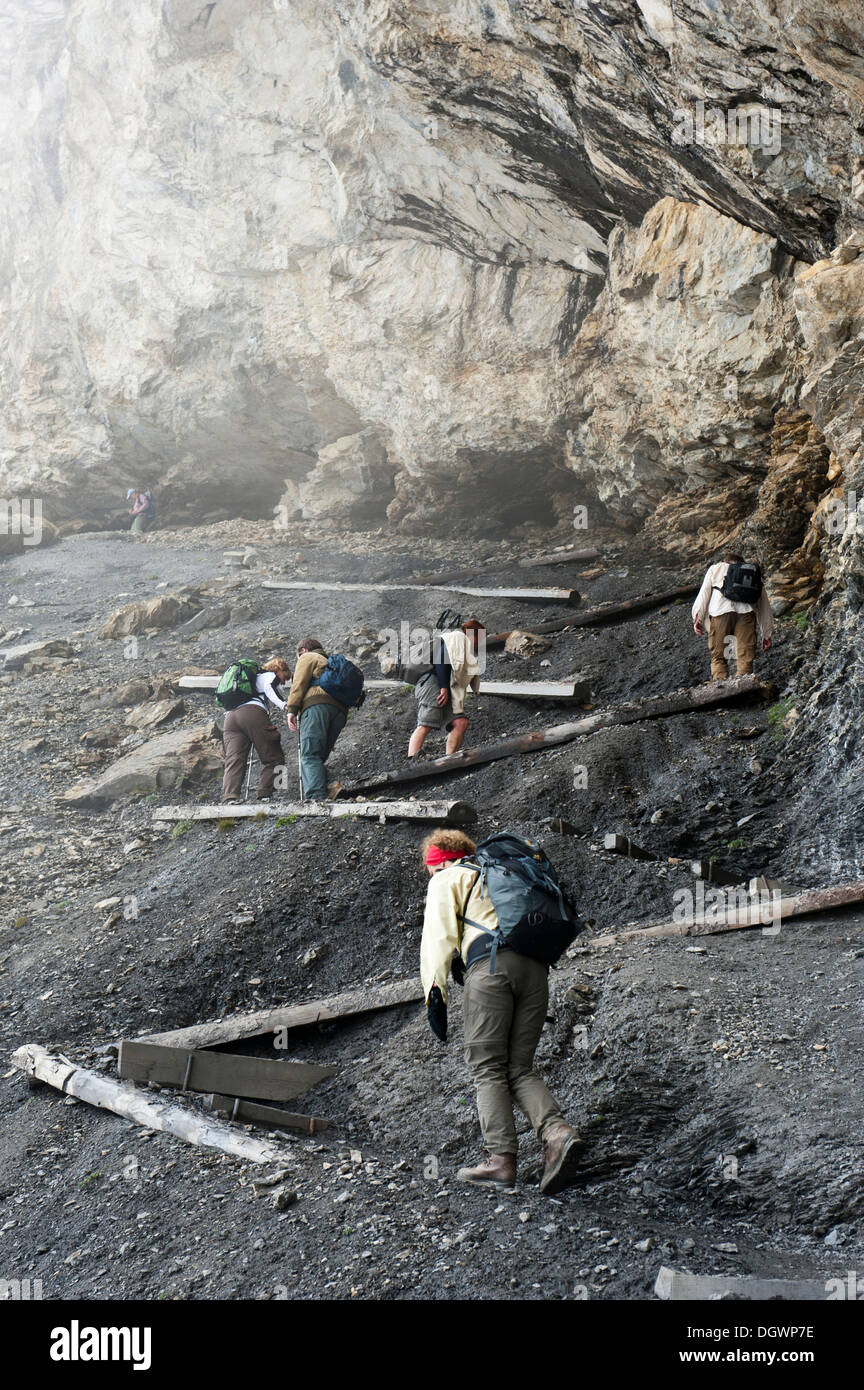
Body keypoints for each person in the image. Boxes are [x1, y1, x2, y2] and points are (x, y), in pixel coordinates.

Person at [419, 828, 584, 1195]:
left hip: (492, 969)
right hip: (536, 972)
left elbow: (437, 938)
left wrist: (435, 992)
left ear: (437, 859)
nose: (429, 875)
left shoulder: (448, 877)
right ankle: (557, 1133)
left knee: (487, 1067)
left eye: (428, 868)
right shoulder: (498, 874)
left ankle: (500, 1162)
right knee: (517, 1068)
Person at [408, 616, 485, 760]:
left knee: (460, 723)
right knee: (426, 723)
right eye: (480, 638)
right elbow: (441, 658)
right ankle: (412, 760)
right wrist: (443, 687)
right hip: (432, 682)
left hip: (447, 687)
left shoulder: (466, 647)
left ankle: (449, 760)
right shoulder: (458, 637)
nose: (481, 642)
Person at [692, 551, 774, 680]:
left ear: (726, 561)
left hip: (720, 612)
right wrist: (767, 633)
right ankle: (744, 681)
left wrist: (698, 618)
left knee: (718, 654)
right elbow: (764, 604)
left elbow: (704, 594)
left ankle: (719, 683)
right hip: (746, 613)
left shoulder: (716, 568)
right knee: (745, 654)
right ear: (741, 562)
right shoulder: (751, 573)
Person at [220, 657, 291, 803]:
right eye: (285, 677)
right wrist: (284, 705)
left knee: (234, 759)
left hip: (230, 719)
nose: (284, 682)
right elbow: (270, 688)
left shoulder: (246, 681)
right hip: (252, 713)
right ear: (279, 669)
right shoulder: (269, 676)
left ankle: (229, 797)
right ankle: (268, 794)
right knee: (275, 756)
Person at [285, 638, 347, 801]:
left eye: (298, 655)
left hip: (316, 708)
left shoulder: (307, 657)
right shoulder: (329, 662)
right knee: (317, 756)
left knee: (310, 754)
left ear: (303, 650)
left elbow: (298, 683)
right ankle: (331, 785)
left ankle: (316, 797)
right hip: (339, 712)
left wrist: (292, 709)